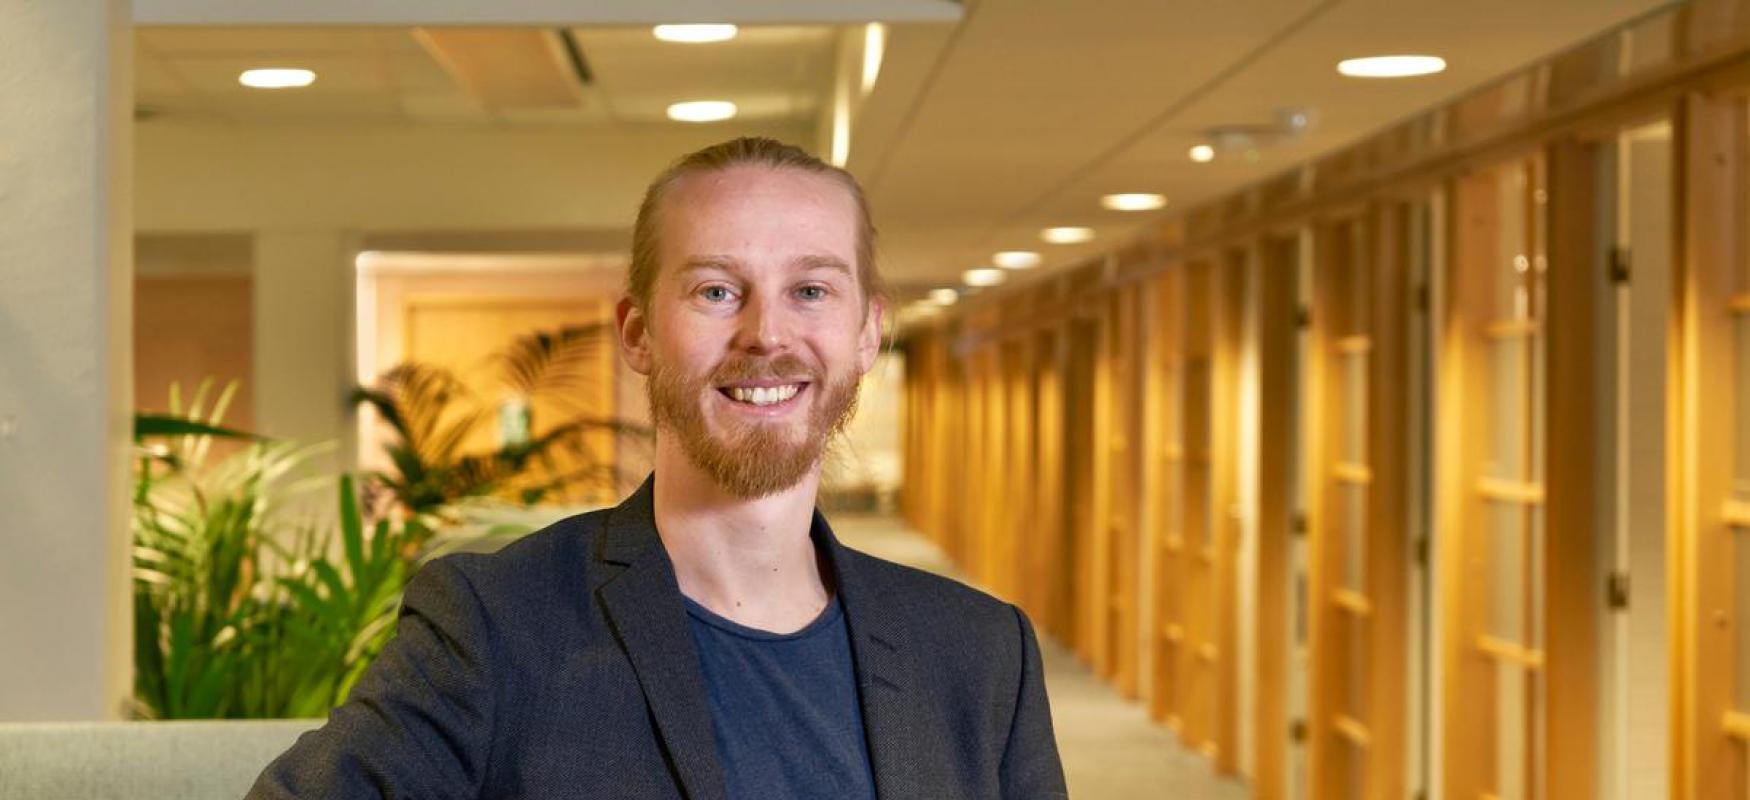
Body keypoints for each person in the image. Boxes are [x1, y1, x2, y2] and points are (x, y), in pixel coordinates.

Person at [248, 137, 1068, 799]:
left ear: (866, 334)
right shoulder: (496, 626)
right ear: (638, 333)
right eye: (716, 292)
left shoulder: (981, 651)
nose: (766, 334)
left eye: (811, 291)